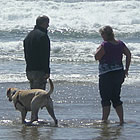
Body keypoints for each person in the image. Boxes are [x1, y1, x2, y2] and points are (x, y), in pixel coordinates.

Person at [94, 26, 131, 125]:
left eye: (102, 34)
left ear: (106, 34)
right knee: (116, 97)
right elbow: (128, 54)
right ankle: (121, 120)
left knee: (105, 98)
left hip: (107, 75)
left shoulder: (105, 45)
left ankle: (104, 120)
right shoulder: (120, 43)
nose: (102, 36)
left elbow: (97, 57)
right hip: (119, 73)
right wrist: (126, 69)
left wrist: (98, 49)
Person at [23, 15, 50, 90]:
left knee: (33, 94)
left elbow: (26, 54)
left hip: (29, 70)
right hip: (39, 71)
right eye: (47, 23)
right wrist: (47, 70)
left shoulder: (28, 36)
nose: (48, 25)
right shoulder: (43, 36)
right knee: (39, 96)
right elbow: (45, 55)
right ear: (43, 23)